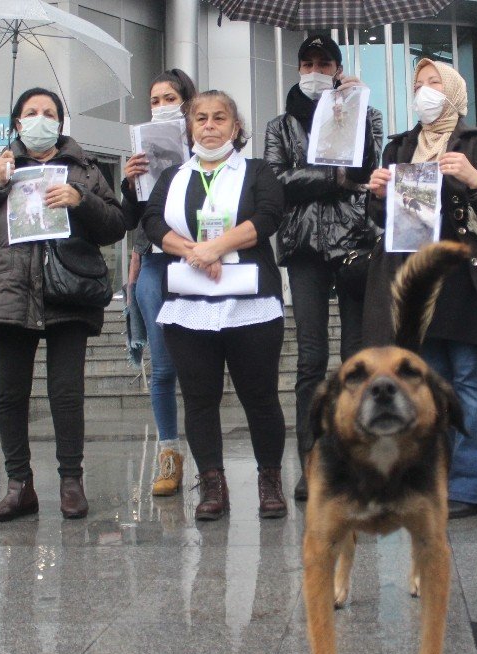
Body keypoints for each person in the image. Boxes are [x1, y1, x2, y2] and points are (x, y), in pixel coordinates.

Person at [364, 59, 477, 519]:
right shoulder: (399, 146)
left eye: (434, 83)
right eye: (418, 84)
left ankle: (472, 485)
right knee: (423, 385)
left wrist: (474, 180)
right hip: (412, 281)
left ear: (455, 94)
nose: (425, 91)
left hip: (463, 280)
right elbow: (380, 220)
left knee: (469, 381)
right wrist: (376, 194)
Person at [0, 87, 126, 522]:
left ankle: (72, 481)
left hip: (68, 289)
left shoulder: (84, 168)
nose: (40, 118)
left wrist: (80, 200)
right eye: (31, 112)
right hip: (12, 292)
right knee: (8, 394)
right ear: (17, 123)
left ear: (60, 122)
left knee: (66, 393)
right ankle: (19, 486)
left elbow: (114, 226)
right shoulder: (3, 165)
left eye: (48, 112)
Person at [142, 90, 287, 521]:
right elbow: (151, 221)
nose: (209, 125)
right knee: (199, 400)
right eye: (200, 118)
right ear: (189, 128)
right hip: (189, 304)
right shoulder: (172, 177)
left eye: (219, 118)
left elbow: (268, 216)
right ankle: (212, 484)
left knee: (259, 397)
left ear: (235, 127)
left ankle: (269, 480)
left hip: (251, 303)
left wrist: (216, 247)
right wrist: (190, 251)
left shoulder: (257, 171)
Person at [264, 34, 384, 501]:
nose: (315, 70)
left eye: (324, 63)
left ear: (337, 68)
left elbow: (369, 172)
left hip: (354, 241)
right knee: (311, 358)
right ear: (298, 69)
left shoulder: (364, 113)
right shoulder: (280, 125)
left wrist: (353, 107)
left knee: (356, 356)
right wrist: (334, 176)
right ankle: (311, 462)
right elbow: (278, 182)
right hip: (303, 246)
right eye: (307, 63)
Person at [121, 69, 197, 496]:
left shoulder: (207, 143)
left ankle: (209, 461)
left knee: (201, 366)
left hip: (197, 263)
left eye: (170, 97)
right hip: (153, 264)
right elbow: (128, 220)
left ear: (187, 101)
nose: (161, 105)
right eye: (154, 99)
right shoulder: (141, 148)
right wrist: (130, 184)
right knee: (163, 368)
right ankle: (169, 454)